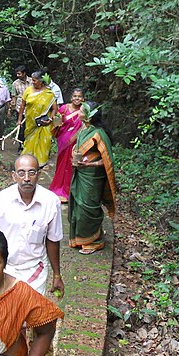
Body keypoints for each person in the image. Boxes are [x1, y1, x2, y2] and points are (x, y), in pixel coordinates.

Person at [0, 154, 65, 297]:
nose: (26, 178)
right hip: (5, 268)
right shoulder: (2, 199)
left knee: (31, 313)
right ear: (14, 176)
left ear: (39, 174)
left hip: (35, 269)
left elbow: (52, 240)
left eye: (31, 172)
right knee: (7, 314)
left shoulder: (50, 202)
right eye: (21, 173)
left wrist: (57, 275)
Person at [69, 101, 117, 254]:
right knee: (77, 206)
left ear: (89, 116)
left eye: (82, 111)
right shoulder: (84, 129)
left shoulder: (99, 134)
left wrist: (90, 165)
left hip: (92, 177)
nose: (78, 112)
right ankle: (80, 238)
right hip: (80, 173)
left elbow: (107, 160)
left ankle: (95, 241)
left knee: (88, 207)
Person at [48, 88, 86, 203]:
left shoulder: (84, 111)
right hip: (63, 140)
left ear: (83, 98)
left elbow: (85, 126)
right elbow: (57, 122)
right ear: (71, 97)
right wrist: (56, 124)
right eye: (75, 96)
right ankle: (57, 188)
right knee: (61, 164)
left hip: (75, 143)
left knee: (70, 166)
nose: (77, 98)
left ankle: (68, 191)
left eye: (79, 96)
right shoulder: (64, 108)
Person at [16, 70, 57, 167]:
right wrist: (19, 120)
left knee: (44, 143)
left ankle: (41, 163)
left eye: (34, 80)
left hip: (44, 124)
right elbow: (22, 106)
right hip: (31, 123)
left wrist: (50, 119)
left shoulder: (49, 94)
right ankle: (28, 162)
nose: (32, 82)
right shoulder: (28, 91)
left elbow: (54, 109)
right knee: (29, 142)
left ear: (41, 81)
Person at [9, 65, 32, 149]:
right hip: (20, 109)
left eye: (19, 74)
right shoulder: (15, 83)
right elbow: (14, 96)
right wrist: (11, 107)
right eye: (17, 74)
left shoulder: (32, 81)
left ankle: (29, 146)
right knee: (20, 128)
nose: (17, 75)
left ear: (24, 73)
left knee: (29, 128)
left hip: (31, 109)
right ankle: (21, 146)